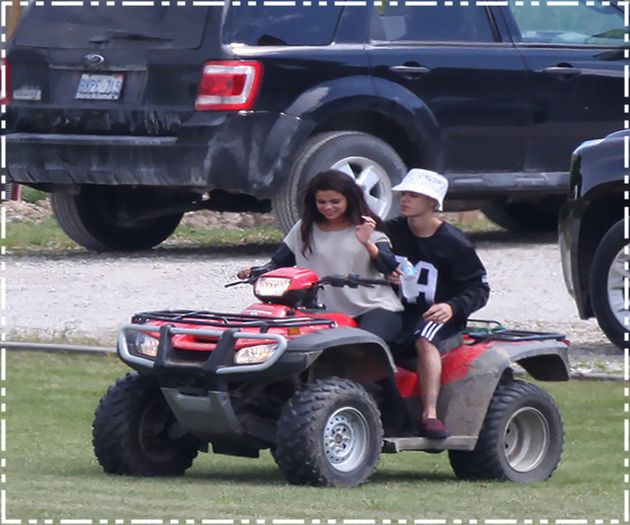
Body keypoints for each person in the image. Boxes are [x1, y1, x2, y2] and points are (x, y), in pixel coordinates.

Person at [238, 170, 408, 432]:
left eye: (335, 202)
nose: (328, 207)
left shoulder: (368, 229)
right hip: (321, 313)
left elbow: (389, 267)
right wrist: (256, 272)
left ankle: (397, 414)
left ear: (349, 199)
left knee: (368, 350)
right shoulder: (303, 229)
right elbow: (277, 262)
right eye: (322, 202)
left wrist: (367, 243)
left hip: (375, 306)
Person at [385, 168, 490, 439]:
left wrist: (452, 307)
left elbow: (479, 287)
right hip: (398, 310)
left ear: (433, 202)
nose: (405, 199)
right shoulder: (391, 231)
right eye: (404, 193)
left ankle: (429, 413)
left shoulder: (454, 243)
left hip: (438, 315)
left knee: (424, 338)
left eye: (414, 195)